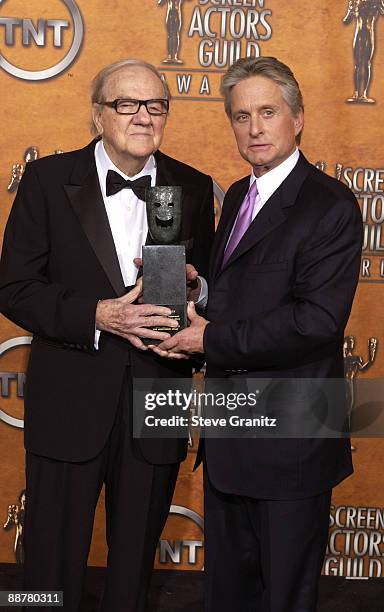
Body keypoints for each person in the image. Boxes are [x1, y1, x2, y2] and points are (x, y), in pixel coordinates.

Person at [0, 59, 214, 611]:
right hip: (69, 396)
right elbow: (15, 288)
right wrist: (96, 315)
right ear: (98, 114)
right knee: (47, 565)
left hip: (158, 396)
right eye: (127, 104)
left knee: (134, 571)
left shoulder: (191, 186)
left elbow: (212, 287)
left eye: (156, 105)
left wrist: (197, 292)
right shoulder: (48, 181)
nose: (143, 116)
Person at [152, 56, 363, 611]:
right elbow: (244, 296)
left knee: (285, 600)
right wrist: (199, 294)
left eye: (267, 112)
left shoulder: (329, 205)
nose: (254, 128)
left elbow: (316, 320)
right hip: (231, 440)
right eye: (241, 116)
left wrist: (210, 340)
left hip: (290, 443)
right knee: (228, 597)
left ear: (297, 118)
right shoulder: (241, 198)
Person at [343, 0, 384, 103]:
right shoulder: (356, 2)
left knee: (367, 64)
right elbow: (346, 21)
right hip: (359, 36)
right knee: (357, 64)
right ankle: (356, 93)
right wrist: (351, 9)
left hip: (369, 36)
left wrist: (381, 4)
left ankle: (364, 94)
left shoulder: (376, 3)